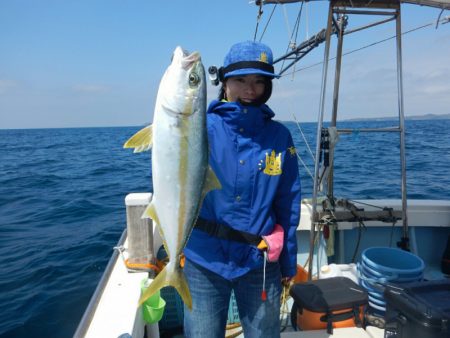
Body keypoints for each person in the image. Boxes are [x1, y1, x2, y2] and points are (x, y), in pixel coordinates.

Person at [183, 40, 301, 338]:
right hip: (204, 257)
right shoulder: (200, 127)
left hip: (258, 262)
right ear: (224, 82)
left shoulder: (279, 136)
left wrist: (288, 260)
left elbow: (288, 201)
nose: (251, 89)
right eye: (241, 80)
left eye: (259, 82)